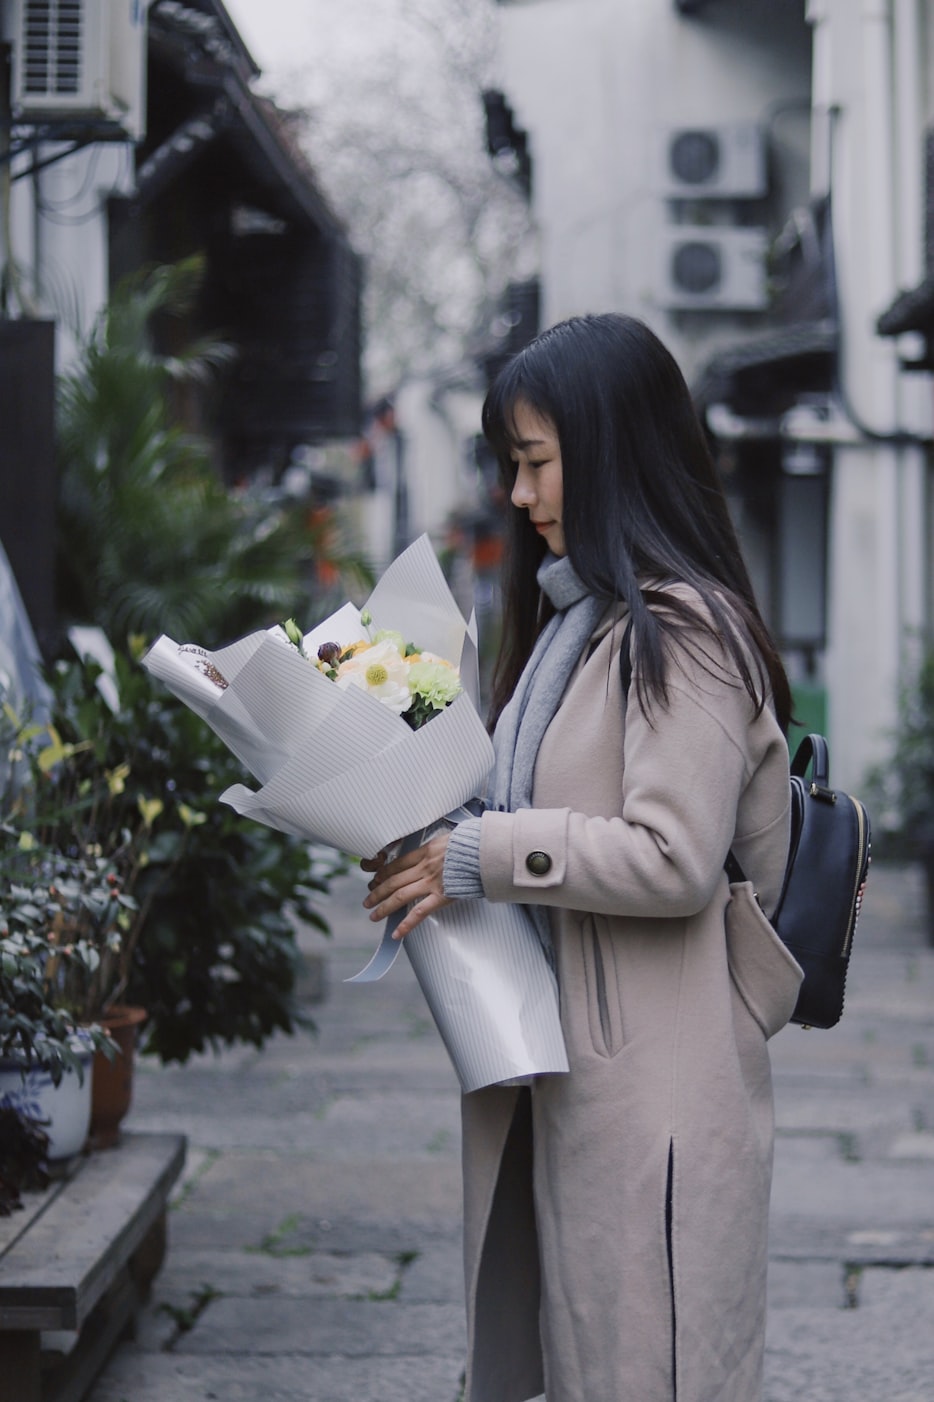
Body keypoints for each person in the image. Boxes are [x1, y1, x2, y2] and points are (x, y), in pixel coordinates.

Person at [362, 313, 803, 1402]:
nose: (518, 495)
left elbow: (672, 856)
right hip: (567, 1077)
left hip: (650, 1094)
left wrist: (478, 851)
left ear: (612, 453)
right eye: (512, 466)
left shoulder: (684, 631)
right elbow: (524, 808)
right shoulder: (580, 625)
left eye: (536, 462)